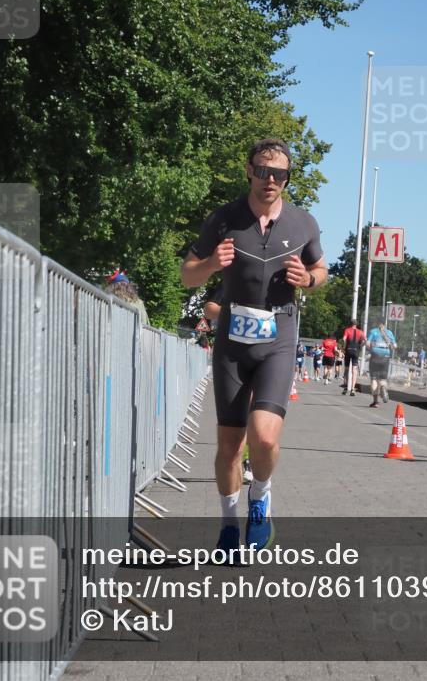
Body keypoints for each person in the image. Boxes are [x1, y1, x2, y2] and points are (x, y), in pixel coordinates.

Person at [180, 137, 328, 559]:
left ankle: (260, 498)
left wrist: (309, 279)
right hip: (232, 339)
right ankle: (229, 522)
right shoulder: (224, 219)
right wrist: (211, 264)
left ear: (287, 179)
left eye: (279, 174)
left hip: (279, 338)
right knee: (228, 446)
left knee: (263, 436)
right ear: (249, 170)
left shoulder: (303, 223)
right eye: (263, 171)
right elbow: (187, 275)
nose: (270, 180)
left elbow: (322, 270)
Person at [367, 319, 396, 408]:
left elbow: (368, 343)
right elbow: (394, 346)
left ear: (377, 323)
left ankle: (375, 402)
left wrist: (370, 349)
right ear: (384, 323)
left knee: (374, 379)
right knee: (383, 379)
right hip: (385, 358)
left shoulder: (373, 331)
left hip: (375, 357)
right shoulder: (389, 333)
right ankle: (383, 387)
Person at [341, 318, 366, 396]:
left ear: (350, 324)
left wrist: (343, 348)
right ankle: (352, 389)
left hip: (348, 350)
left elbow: (344, 339)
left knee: (347, 369)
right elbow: (366, 340)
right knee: (354, 370)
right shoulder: (360, 332)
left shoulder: (347, 330)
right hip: (356, 351)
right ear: (356, 324)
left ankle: (345, 386)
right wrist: (360, 346)